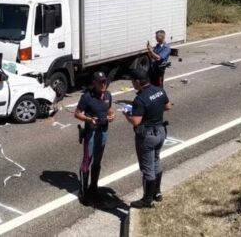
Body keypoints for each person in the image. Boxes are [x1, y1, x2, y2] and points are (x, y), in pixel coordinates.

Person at [123, 68, 173, 208]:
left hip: (147, 135)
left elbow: (136, 122)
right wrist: (154, 111)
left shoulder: (140, 99)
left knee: (147, 168)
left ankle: (147, 199)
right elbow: (168, 106)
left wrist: (127, 115)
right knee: (156, 161)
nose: (133, 84)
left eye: (133, 81)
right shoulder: (159, 90)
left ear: (138, 82)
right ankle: (157, 193)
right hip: (161, 131)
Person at [74, 71, 115, 203]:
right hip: (91, 132)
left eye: (105, 82)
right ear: (94, 83)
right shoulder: (87, 97)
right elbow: (77, 113)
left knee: (97, 161)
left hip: (103, 131)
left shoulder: (108, 95)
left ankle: (93, 188)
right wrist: (88, 119)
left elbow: (109, 109)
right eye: (101, 82)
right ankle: (84, 191)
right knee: (87, 159)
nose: (104, 84)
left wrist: (112, 116)